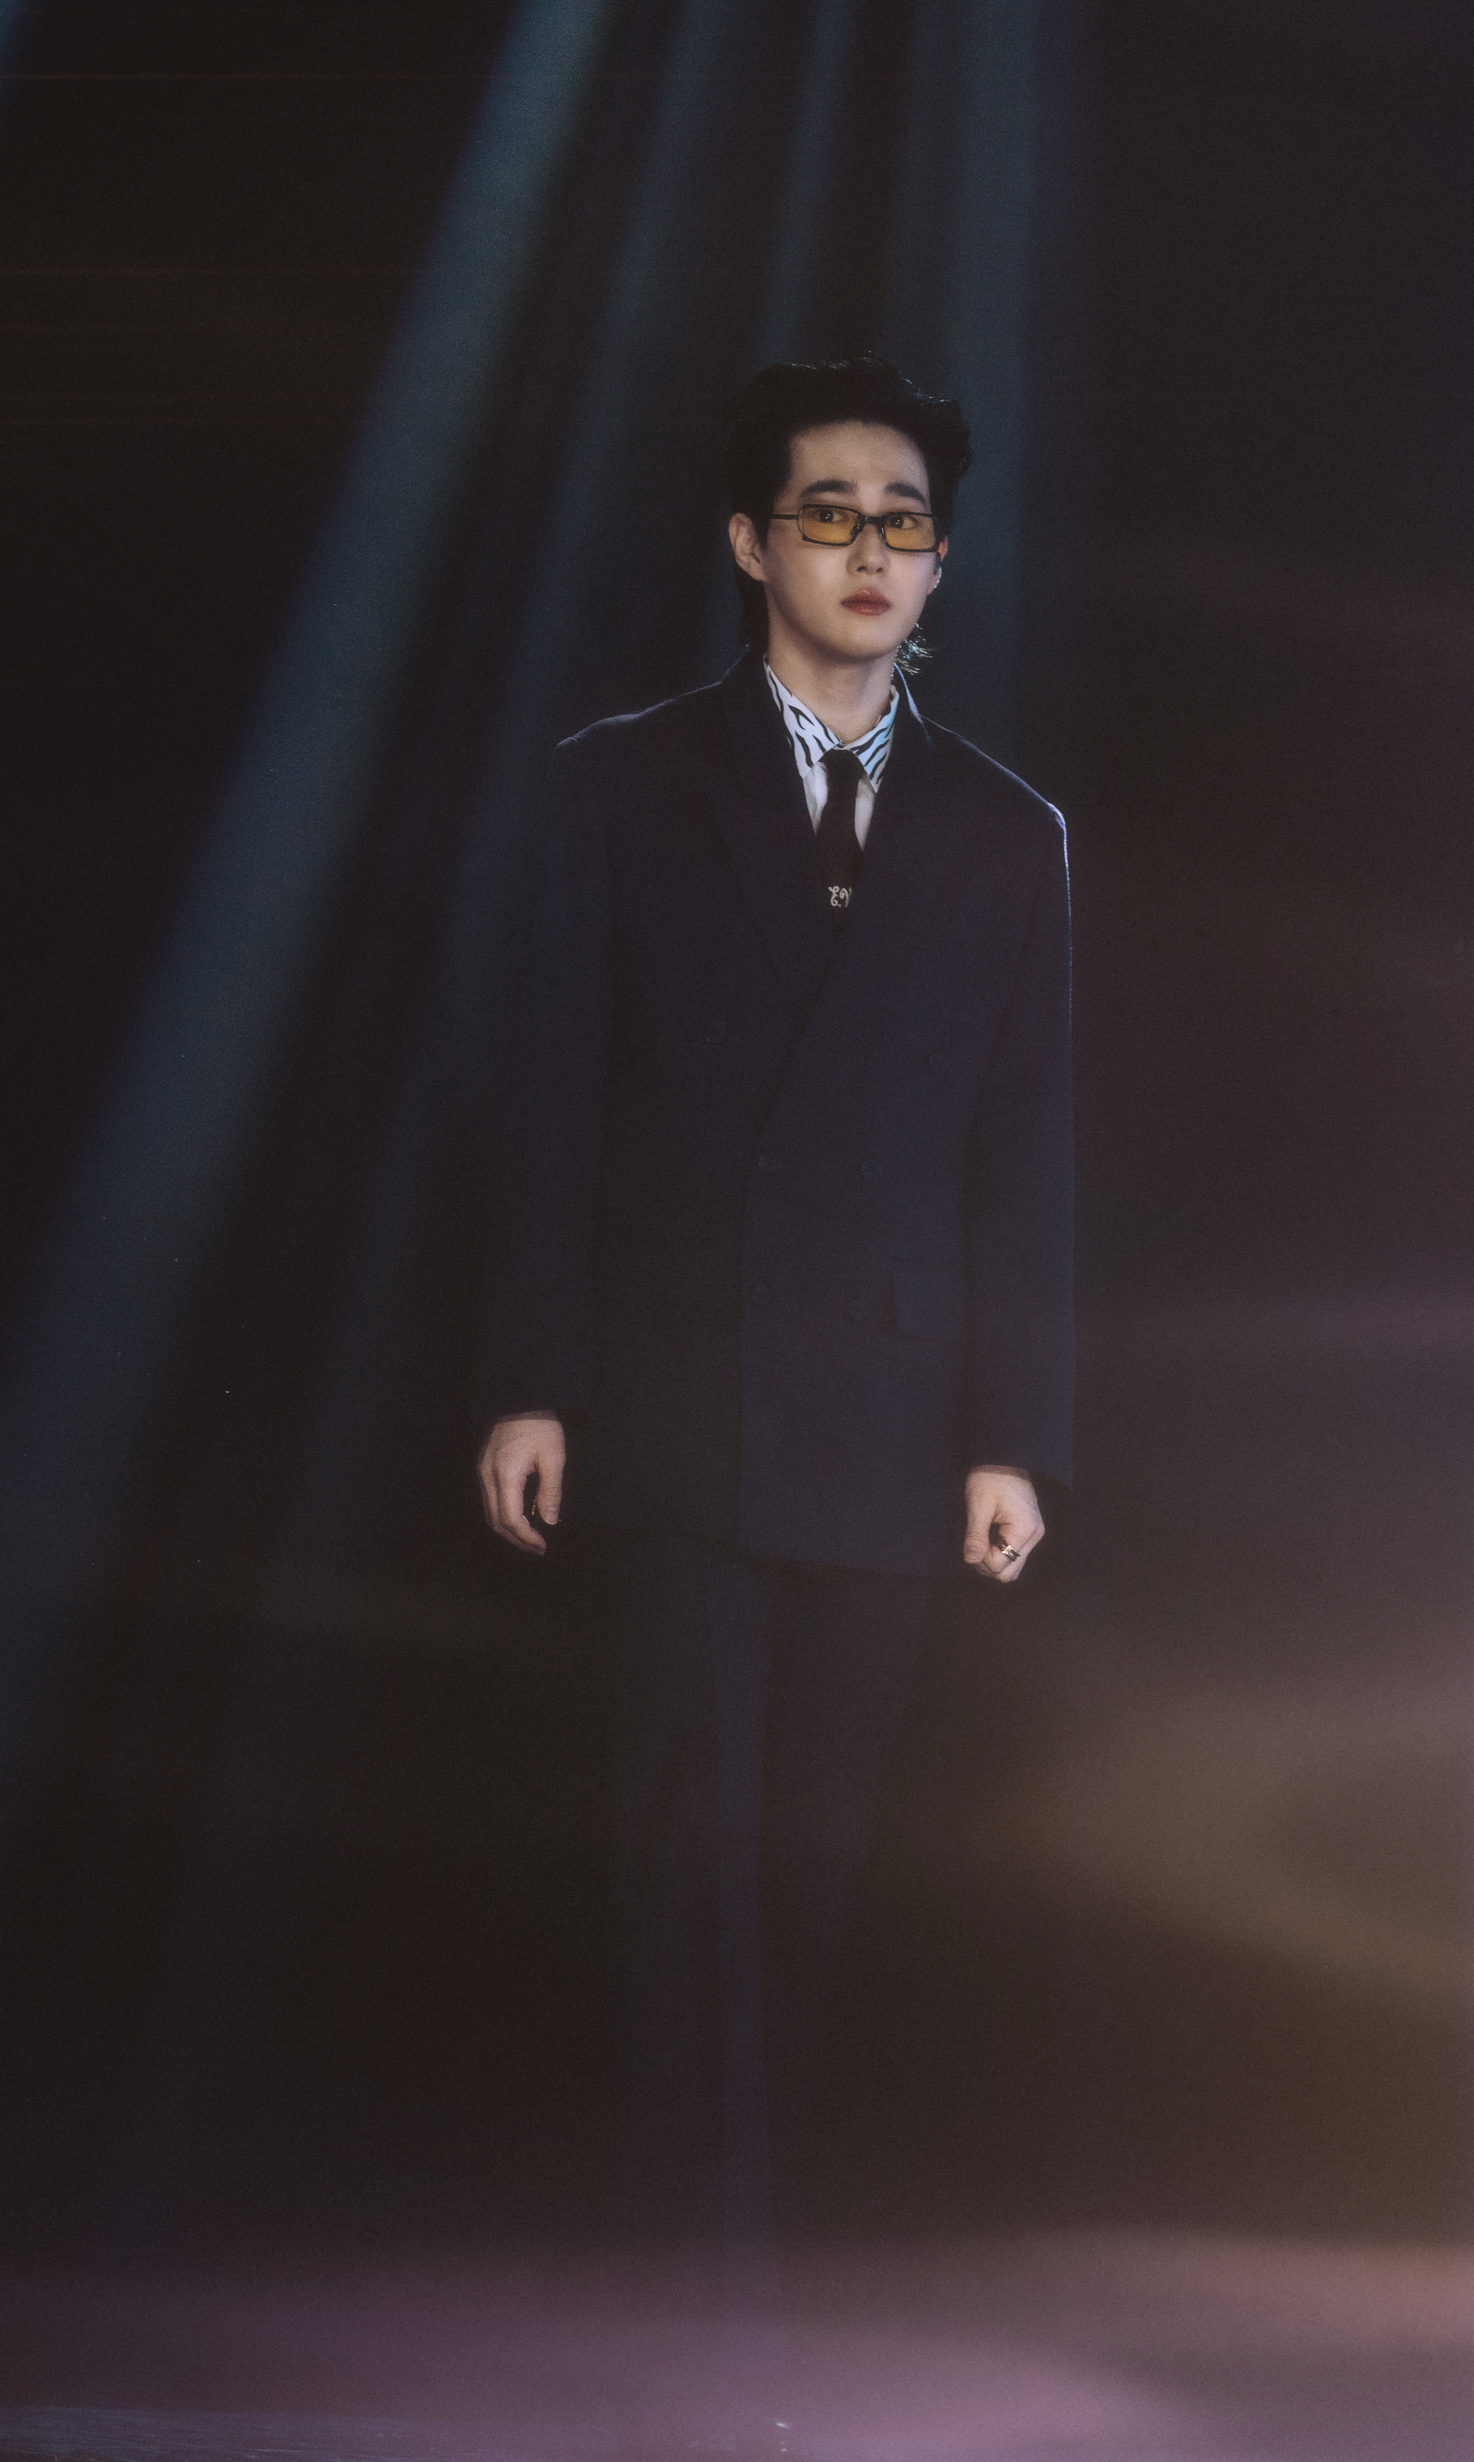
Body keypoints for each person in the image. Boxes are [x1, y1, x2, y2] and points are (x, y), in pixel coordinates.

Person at [473, 355, 1073, 2267]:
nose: (870, 551)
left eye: (905, 522)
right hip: (674, 1392)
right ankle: (685, 2294)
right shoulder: (620, 783)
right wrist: (531, 1385)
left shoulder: (1009, 829)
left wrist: (1013, 1438)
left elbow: (1026, 1155)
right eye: (829, 515)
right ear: (751, 544)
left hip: (893, 1418)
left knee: (814, 1868)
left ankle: (749, 2271)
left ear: (943, 558)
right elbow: (547, 1102)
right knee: (684, 1858)